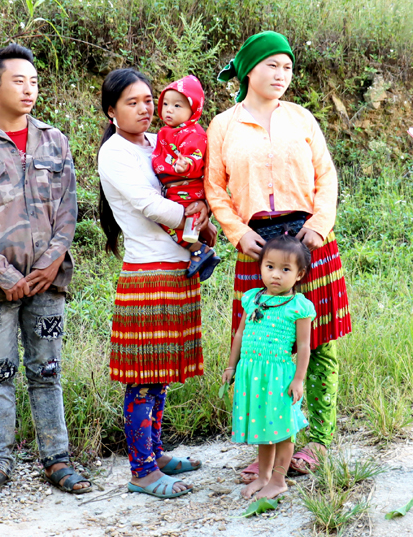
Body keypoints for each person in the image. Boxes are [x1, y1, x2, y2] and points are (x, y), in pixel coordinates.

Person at [206, 31, 351, 482]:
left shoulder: (302, 119)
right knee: (262, 347)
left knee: (318, 342)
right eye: (272, 65)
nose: (281, 75)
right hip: (257, 245)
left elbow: (327, 178)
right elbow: (214, 189)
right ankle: (271, 446)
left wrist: (319, 227)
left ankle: (319, 442)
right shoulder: (224, 125)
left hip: (310, 241)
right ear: (250, 69)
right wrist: (237, 233)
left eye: (287, 67)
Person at [0, 44, 91, 497]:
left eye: (33, 81)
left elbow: (68, 207)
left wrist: (51, 262)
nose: (29, 89)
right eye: (18, 81)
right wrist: (4, 275)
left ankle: (57, 459)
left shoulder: (55, 142)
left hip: (50, 282)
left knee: (47, 369)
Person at [96, 68, 209, 499]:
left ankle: (155, 451)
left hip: (176, 266)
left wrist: (200, 210)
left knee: (159, 374)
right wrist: (194, 217)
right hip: (148, 273)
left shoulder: (156, 142)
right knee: (143, 376)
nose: (145, 109)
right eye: (132, 102)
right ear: (112, 110)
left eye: (148, 100)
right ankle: (141, 470)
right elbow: (147, 204)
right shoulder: (115, 153)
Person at [222, 235, 315, 501]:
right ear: (261, 267)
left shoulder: (299, 307)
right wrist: (232, 365)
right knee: (264, 428)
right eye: (270, 267)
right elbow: (239, 334)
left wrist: (299, 379)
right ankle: (263, 476)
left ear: (299, 275)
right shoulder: (252, 298)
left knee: (283, 431)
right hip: (252, 375)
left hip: (279, 378)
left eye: (286, 269)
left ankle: (278, 479)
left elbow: (305, 347)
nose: (276, 275)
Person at [151, 74, 219, 280]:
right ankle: (200, 250)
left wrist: (186, 164)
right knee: (175, 221)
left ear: (193, 110)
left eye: (177, 106)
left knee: (169, 220)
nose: (169, 109)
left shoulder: (194, 133)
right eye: (166, 104)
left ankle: (200, 250)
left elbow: (196, 155)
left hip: (186, 186)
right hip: (173, 187)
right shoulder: (164, 132)